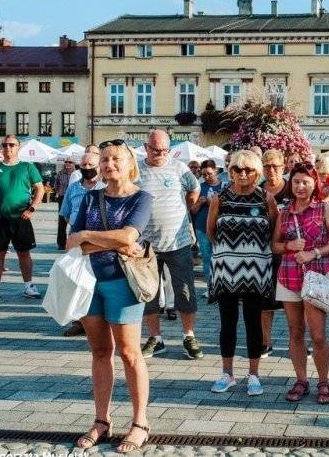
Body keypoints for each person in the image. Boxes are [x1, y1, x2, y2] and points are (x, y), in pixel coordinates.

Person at [68, 140, 153, 453]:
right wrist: (110, 242)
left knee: (130, 353)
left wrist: (88, 236)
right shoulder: (91, 198)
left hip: (124, 283)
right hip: (89, 282)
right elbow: (71, 242)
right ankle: (101, 420)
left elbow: (129, 235)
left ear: (130, 163)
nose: (108, 164)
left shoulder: (142, 198)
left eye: (116, 158)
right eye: (104, 159)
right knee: (100, 351)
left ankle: (140, 422)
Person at [273, 162, 329, 404]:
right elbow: (274, 245)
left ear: (315, 184)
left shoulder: (324, 208)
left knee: (318, 335)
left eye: (305, 182)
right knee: (295, 332)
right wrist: (289, 246)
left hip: (316, 277)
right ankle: (301, 380)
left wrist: (314, 253)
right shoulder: (285, 212)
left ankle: (324, 381)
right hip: (288, 276)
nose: (300, 186)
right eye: (296, 182)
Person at [207, 150, 277, 396]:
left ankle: (253, 374)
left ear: (257, 172)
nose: (243, 174)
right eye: (237, 169)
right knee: (227, 322)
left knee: (253, 322)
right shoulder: (220, 198)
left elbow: (274, 231)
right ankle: (227, 374)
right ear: (230, 171)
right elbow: (211, 232)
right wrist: (231, 253)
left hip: (256, 271)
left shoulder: (266, 198)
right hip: (226, 270)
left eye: (248, 169)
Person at [138, 130, 202, 360]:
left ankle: (189, 336)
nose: (160, 154)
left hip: (179, 242)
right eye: (155, 150)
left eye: (164, 150)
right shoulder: (136, 170)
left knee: (185, 291)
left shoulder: (179, 168)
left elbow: (195, 188)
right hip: (145, 245)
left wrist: (188, 206)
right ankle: (155, 338)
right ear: (146, 147)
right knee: (149, 293)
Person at [0, 135, 45, 300]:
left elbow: (40, 188)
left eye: (12, 145)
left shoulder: (27, 167)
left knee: (24, 253)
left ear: (18, 147)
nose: (8, 147)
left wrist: (32, 208)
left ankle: (29, 286)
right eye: (5, 145)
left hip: (21, 218)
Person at [59, 151, 106, 337]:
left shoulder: (106, 187)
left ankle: (101, 320)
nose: (87, 168)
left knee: (98, 281)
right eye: (84, 165)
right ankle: (79, 321)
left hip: (100, 241)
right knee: (77, 281)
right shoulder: (73, 188)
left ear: (99, 166)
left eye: (91, 165)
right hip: (77, 239)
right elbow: (66, 213)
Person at [259, 149, 291, 358]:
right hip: (263, 252)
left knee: (292, 301)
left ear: (283, 167)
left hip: (288, 252)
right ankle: (265, 342)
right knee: (264, 302)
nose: (271, 170)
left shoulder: (291, 188)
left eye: (275, 166)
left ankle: (296, 342)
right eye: (267, 166)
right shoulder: (257, 190)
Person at [190, 160, 224, 291]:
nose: (207, 177)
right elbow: (193, 210)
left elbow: (226, 208)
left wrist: (212, 202)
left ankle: (221, 287)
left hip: (220, 229)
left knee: (220, 258)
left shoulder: (224, 186)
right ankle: (211, 289)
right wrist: (199, 203)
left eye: (209, 173)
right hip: (202, 227)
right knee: (206, 257)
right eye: (204, 174)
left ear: (216, 170)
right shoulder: (199, 187)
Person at [55, 160, 75, 249]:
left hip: (73, 198)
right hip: (62, 198)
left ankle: (75, 242)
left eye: (70, 162)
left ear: (74, 164)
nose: (68, 163)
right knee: (62, 220)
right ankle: (61, 243)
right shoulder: (60, 173)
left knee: (75, 219)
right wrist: (59, 193)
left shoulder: (78, 173)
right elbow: (56, 185)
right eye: (66, 162)